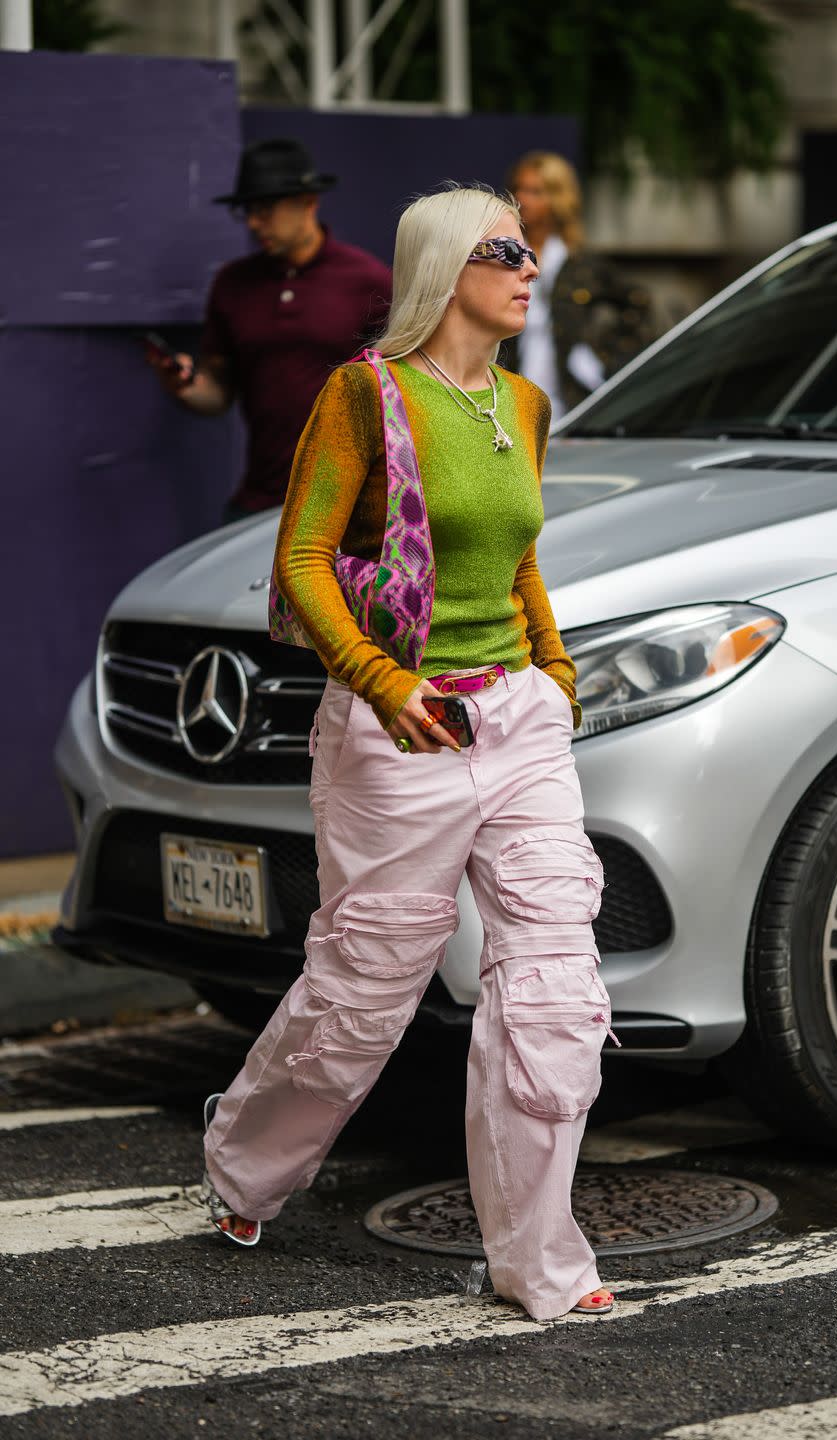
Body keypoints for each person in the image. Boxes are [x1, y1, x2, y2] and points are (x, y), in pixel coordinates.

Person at [200, 184, 617, 1323]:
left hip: (519, 721)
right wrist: (384, 682)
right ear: (446, 268)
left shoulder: (524, 402)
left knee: (555, 993)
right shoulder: (363, 395)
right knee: (362, 993)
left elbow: (517, 552)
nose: (532, 268)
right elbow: (302, 558)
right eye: (507, 252)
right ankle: (247, 1168)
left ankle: (540, 1259)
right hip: (399, 731)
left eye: (532, 251)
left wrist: (556, 668)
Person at [149, 138, 392, 523]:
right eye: (247, 210)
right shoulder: (232, 284)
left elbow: (404, 393)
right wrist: (186, 386)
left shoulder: (369, 280)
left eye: (264, 208)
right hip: (260, 501)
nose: (252, 222)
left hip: (349, 505)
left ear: (308, 201)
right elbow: (217, 392)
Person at [502, 150, 655, 421]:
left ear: (557, 198)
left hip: (571, 393)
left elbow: (638, 301)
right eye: (518, 188)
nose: (522, 198)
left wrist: (603, 352)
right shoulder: (505, 254)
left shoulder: (580, 262)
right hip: (512, 388)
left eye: (535, 191)